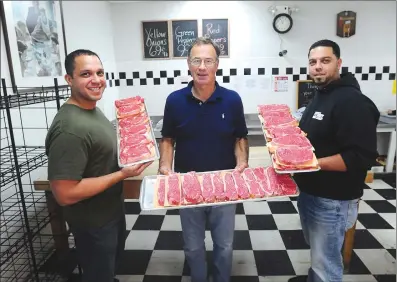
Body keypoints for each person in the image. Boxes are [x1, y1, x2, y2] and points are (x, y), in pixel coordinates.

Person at [45, 49, 152, 282]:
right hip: (93, 224)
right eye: (86, 74)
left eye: (100, 72)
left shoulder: (90, 111)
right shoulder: (70, 129)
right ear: (69, 79)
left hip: (109, 214)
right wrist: (122, 174)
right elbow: (65, 193)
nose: (96, 80)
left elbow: (99, 158)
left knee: (108, 272)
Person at [159, 37, 249, 282]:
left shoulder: (232, 100)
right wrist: (165, 167)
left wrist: (242, 162)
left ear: (217, 65)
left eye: (208, 61)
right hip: (188, 186)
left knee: (225, 244)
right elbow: (168, 139)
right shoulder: (175, 101)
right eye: (196, 60)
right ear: (188, 64)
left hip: (224, 185)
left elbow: (240, 137)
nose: (202, 67)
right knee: (193, 247)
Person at [289, 40, 380, 282]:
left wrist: (309, 163)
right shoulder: (322, 95)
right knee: (318, 252)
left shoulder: (352, 102)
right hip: (312, 192)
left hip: (333, 200)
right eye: (313, 62)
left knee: (326, 264)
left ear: (338, 63)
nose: (317, 67)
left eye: (325, 61)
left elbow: (361, 157)